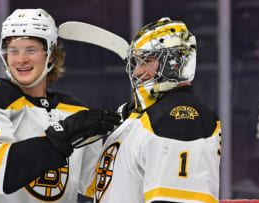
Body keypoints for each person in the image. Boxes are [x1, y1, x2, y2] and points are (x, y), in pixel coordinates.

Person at [0, 8, 120, 203]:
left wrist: (131, 128)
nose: (21, 59)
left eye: (31, 49)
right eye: (13, 50)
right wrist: (61, 135)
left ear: (51, 55)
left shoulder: (75, 111)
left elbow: (96, 185)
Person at [94, 17, 221, 203]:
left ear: (174, 63)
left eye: (146, 61)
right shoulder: (139, 116)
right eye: (136, 63)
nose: (137, 72)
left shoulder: (180, 117)